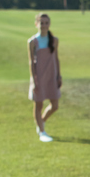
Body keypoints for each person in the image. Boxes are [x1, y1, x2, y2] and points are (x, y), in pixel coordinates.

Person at [28, 12, 62, 142]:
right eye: (41, 23)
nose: (44, 25)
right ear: (37, 24)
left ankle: (41, 122)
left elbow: (56, 59)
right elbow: (31, 61)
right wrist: (34, 79)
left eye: (46, 23)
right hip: (39, 76)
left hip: (52, 75)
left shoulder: (54, 40)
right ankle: (41, 131)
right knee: (39, 104)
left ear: (49, 24)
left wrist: (59, 75)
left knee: (55, 105)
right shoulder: (32, 42)